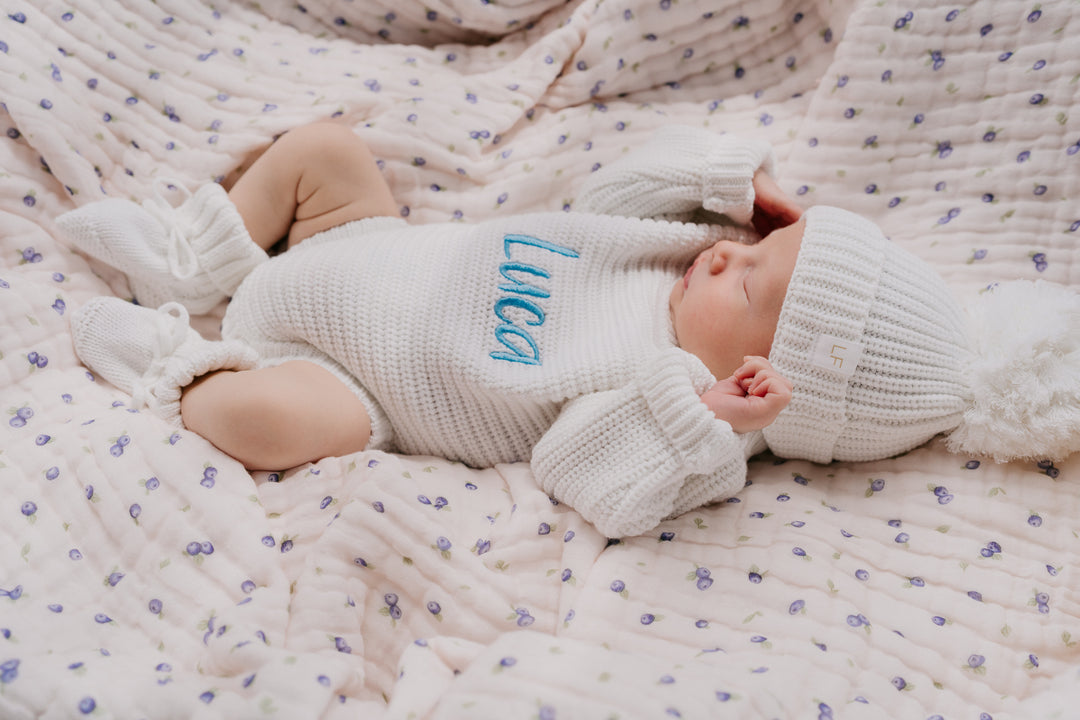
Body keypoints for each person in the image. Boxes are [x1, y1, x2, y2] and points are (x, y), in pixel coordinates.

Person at [60, 124, 1080, 538]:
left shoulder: (677, 413)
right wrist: (729, 186)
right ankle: (198, 255)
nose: (728, 258)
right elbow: (608, 193)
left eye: (753, 286)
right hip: (364, 244)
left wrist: (701, 418)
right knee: (326, 151)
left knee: (275, 422)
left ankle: (189, 369)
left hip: (360, 381)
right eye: (761, 244)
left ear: (758, 378)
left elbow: (577, 473)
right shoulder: (672, 250)